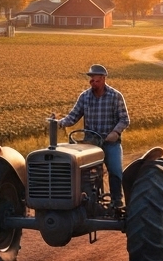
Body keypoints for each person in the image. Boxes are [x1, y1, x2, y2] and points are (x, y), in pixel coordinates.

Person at [54, 63, 130, 209]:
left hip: (109, 142)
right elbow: (73, 116)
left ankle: (117, 201)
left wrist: (115, 132)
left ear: (103, 79)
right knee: (78, 170)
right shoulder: (85, 97)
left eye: (97, 80)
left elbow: (124, 119)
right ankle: (82, 199)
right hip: (90, 143)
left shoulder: (115, 96)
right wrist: (60, 123)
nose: (93, 83)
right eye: (91, 80)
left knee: (115, 171)